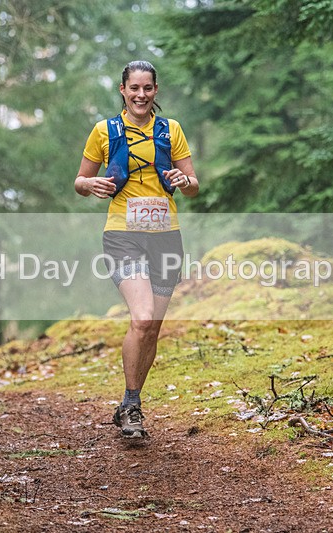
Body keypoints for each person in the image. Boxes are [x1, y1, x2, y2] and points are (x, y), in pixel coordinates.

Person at [74, 60, 199, 439]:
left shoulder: (171, 129)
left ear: (155, 91)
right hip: (122, 234)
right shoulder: (104, 130)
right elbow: (79, 180)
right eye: (134, 88)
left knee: (152, 330)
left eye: (148, 88)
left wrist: (184, 179)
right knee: (141, 318)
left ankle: (131, 401)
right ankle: (132, 406)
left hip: (166, 235)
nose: (141, 95)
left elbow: (193, 184)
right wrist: (91, 184)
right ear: (122, 90)